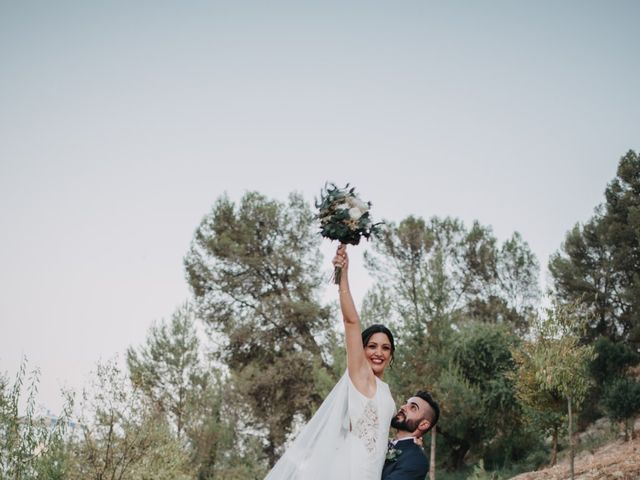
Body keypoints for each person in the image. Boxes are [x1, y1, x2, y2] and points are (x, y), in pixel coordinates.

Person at [265, 245, 396, 479]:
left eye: (385, 348)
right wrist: (343, 278)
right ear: (362, 350)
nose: (379, 353)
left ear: (392, 355)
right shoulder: (361, 377)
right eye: (372, 346)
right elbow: (351, 322)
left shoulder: (385, 390)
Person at [381, 391, 440, 480]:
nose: (403, 407)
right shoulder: (382, 442)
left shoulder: (416, 460)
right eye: (406, 404)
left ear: (423, 424)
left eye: (413, 408)